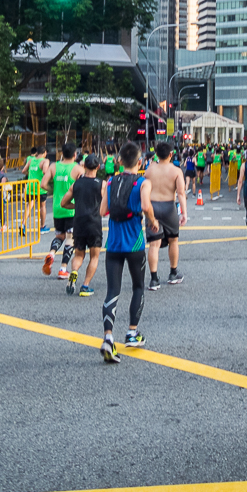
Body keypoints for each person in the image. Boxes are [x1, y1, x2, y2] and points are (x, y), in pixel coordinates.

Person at [99, 142, 158, 363]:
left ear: (120, 161)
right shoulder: (143, 183)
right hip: (134, 244)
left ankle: (108, 336)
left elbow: (103, 210)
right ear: (140, 162)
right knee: (138, 286)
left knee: (112, 289)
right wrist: (153, 221)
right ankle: (132, 332)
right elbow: (145, 205)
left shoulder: (112, 181)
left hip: (113, 243)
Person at [144, 142, 188, 290]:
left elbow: (143, 189)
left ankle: (154, 279)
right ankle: (173, 273)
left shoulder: (149, 170)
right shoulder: (176, 171)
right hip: (169, 207)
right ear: (171, 154)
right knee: (173, 240)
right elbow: (181, 193)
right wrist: (183, 213)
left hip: (152, 206)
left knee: (154, 244)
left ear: (156, 154)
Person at [61, 155, 103, 295]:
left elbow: (63, 203)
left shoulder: (76, 184)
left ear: (84, 166)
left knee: (79, 255)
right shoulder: (101, 184)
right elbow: (106, 205)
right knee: (94, 256)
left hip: (78, 222)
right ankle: (85, 286)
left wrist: (76, 206)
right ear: (98, 167)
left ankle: (73, 272)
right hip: (94, 223)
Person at [42, 144, 83, 277]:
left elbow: (43, 183)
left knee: (59, 236)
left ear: (62, 153)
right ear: (75, 155)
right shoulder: (78, 169)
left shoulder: (54, 166)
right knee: (70, 238)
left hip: (57, 207)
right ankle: (63, 269)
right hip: (71, 208)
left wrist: (52, 190)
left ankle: (51, 253)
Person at [24, 147, 51, 234]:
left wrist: (31, 174)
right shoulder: (45, 161)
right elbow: (44, 171)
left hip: (30, 186)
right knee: (42, 206)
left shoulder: (31, 160)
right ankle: (42, 227)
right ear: (44, 153)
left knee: (29, 205)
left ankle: (23, 224)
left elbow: (24, 171)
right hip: (40, 186)